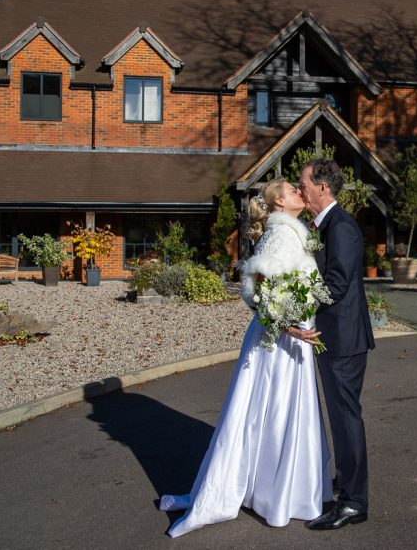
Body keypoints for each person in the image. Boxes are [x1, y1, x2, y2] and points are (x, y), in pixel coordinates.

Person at [158, 177, 333, 538]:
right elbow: (260, 289)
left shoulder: (288, 231)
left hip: (284, 335)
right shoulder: (284, 234)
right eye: (292, 190)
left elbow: (265, 286)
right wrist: (287, 326)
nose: (300, 192)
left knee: (264, 415)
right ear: (279, 203)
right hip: (282, 341)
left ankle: (267, 489)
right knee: (274, 413)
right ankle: (277, 495)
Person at [298, 158, 375, 531]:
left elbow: (337, 284)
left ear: (322, 188)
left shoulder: (341, 227)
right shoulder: (322, 226)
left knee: (345, 419)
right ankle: (346, 483)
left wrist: (292, 306)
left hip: (344, 339)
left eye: (304, 184)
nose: (301, 190)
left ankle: (354, 502)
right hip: (333, 336)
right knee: (341, 417)